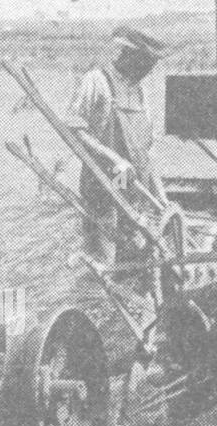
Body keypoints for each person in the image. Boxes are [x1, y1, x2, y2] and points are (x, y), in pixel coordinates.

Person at [68, 26, 167, 262]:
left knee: (134, 255)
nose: (148, 71)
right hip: (104, 180)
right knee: (103, 257)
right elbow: (73, 129)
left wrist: (161, 195)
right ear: (129, 55)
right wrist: (113, 158)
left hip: (132, 187)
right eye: (145, 63)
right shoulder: (97, 81)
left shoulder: (139, 92)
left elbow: (146, 150)